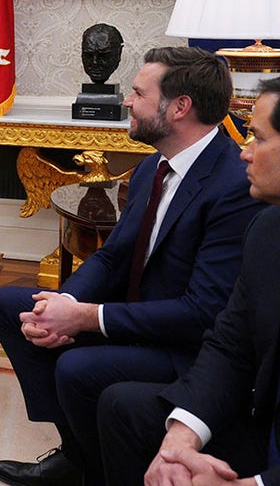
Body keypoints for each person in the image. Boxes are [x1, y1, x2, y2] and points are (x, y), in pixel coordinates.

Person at [0, 47, 264, 486]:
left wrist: (85, 317)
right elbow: (113, 255)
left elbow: (202, 313)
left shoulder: (233, 185)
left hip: (185, 346)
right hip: (137, 313)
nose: (128, 102)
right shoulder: (152, 166)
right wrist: (65, 302)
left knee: (77, 369)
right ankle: (78, 454)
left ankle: (98, 470)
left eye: (138, 93)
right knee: (9, 304)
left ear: (179, 107)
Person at [97, 78, 280, 485]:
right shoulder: (267, 230)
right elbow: (231, 346)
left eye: (258, 139)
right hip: (256, 415)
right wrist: (180, 440)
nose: (245, 153)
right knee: (123, 407)